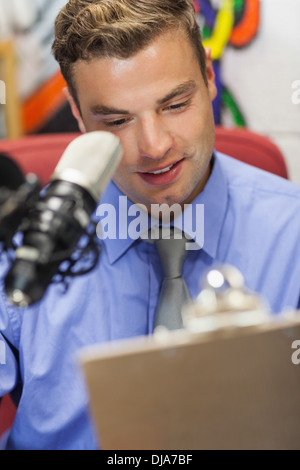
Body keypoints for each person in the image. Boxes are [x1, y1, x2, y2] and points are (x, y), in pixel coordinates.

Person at [1, 0, 300, 450]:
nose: (154, 146)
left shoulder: (292, 232)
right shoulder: (24, 240)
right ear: (78, 114)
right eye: (117, 120)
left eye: (175, 104)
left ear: (208, 76)